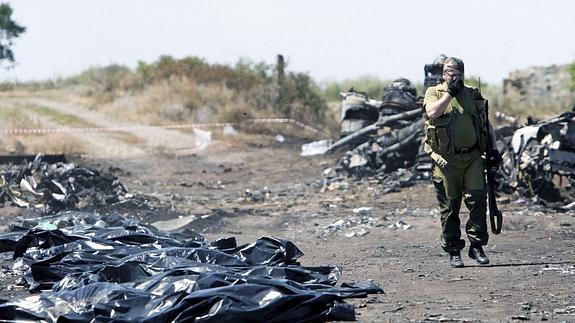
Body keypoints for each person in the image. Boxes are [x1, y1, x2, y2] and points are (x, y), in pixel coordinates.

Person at [423, 57, 499, 268]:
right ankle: (453, 250)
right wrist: (450, 94)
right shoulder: (435, 93)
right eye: (448, 72)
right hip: (446, 160)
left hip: (473, 157)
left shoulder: (473, 93)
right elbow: (431, 113)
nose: (452, 76)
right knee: (450, 206)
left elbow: (485, 123)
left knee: (477, 202)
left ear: (463, 74)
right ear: (442, 74)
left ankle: (477, 246)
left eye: (456, 72)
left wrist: (493, 149)